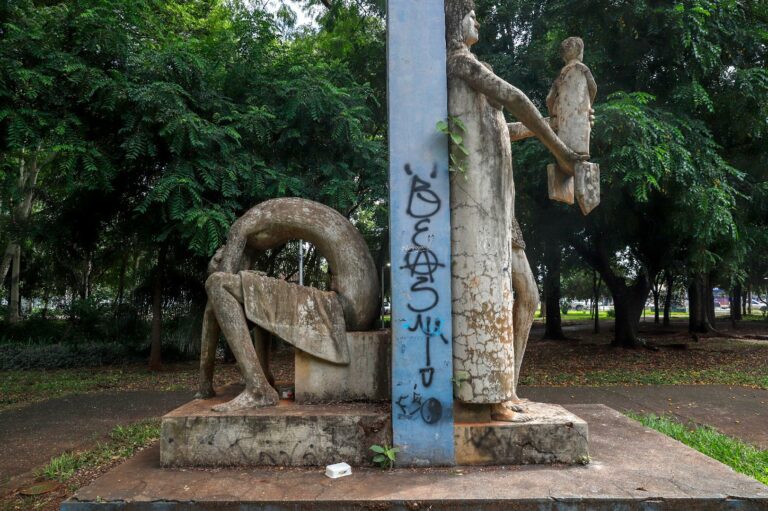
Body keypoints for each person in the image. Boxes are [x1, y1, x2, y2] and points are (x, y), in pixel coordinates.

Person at [445, 0, 587, 421]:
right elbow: (515, 98)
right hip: (479, 207)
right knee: (501, 294)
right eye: (471, 14)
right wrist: (557, 145)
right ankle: (490, 395)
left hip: (501, 209)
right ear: (456, 22)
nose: (477, 21)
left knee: (528, 296)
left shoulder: (470, 66)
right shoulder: (459, 63)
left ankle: (506, 388)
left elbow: (501, 127)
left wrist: (549, 124)